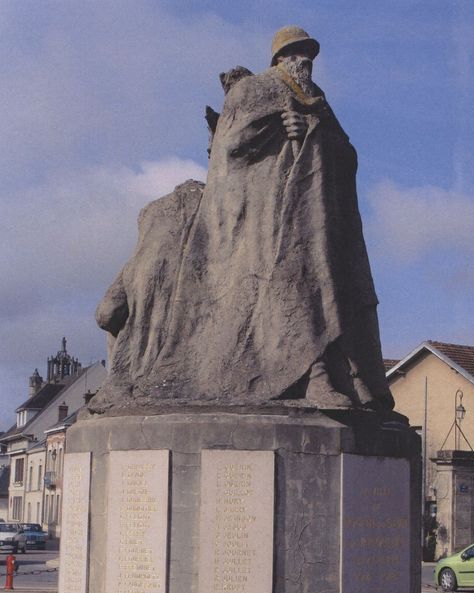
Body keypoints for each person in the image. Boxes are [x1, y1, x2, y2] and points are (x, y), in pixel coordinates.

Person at [95, 26, 393, 412]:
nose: (305, 60)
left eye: (309, 53)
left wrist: (311, 132)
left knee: (326, 288)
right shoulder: (255, 92)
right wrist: (280, 133)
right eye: (297, 52)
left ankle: (338, 374)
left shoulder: (318, 100)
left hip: (312, 220)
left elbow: (347, 154)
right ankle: (313, 374)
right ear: (280, 58)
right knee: (293, 290)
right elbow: (231, 147)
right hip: (259, 223)